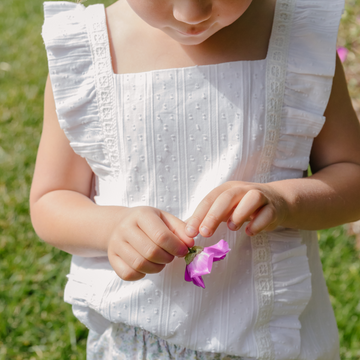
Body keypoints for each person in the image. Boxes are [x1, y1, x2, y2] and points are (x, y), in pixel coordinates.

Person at [30, 0, 360, 359]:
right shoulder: (89, 53)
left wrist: (285, 200)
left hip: (273, 338)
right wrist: (111, 228)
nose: (191, 13)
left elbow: (352, 175)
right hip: (140, 341)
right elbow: (52, 199)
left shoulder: (298, 42)